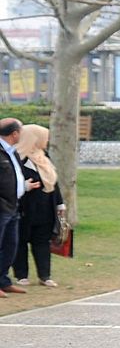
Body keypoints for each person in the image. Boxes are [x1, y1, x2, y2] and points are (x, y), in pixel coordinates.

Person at [12, 125, 64, 288]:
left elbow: (54, 182)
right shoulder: (16, 157)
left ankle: (45, 275)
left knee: (42, 242)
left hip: (45, 208)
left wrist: (60, 204)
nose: (46, 141)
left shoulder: (44, 156)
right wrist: (24, 186)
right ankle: (21, 275)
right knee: (20, 241)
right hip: (24, 208)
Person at [0, 118, 40, 297]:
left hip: (13, 206)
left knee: (11, 245)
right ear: (14, 133)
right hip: (2, 206)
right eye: (20, 131)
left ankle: (3, 281)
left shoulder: (12, 152)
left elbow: (13, 177)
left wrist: (24, 186)